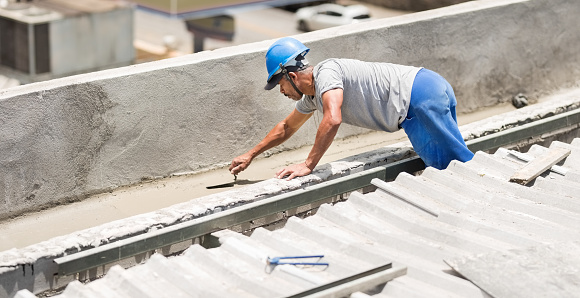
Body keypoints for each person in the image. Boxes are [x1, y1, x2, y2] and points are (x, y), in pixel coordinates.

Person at [229, 37, 474, 180]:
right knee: (446, 169)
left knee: (459, 172)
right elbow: (285, 127)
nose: (281, 92)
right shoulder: (314, 96)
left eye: (280, 84)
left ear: (292, 76)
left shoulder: (327, 72)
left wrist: (308, 164)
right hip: (419, 100)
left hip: (419, 96)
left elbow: (333, 118)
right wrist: (251, 154)